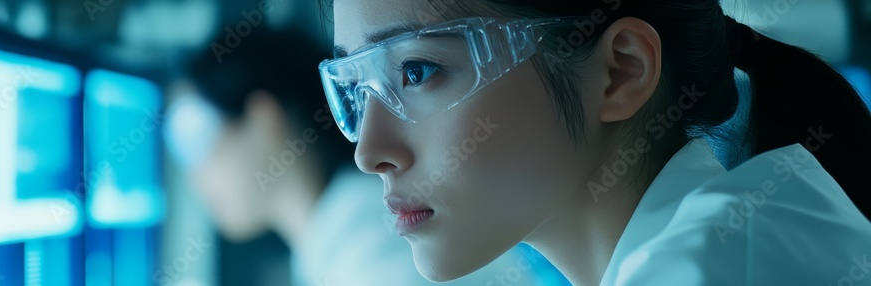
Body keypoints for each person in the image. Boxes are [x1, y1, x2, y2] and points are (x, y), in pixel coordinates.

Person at [317, 0, 871, 285]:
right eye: (355, 90)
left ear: (621, 72)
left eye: (416, 71)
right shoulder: (734, 241)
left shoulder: (702, 271)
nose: (370, 150)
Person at [164, 27, 556, 285]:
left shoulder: (371, 237)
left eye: (195, 141)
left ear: (264, 118)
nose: (195, 176)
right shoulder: (339, 236)